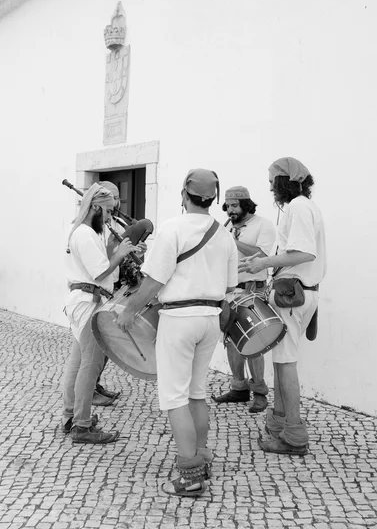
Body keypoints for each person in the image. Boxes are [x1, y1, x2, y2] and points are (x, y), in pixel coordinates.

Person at [116, 169, 238, 497]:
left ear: (185, 195)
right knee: (197, 393)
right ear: (212, 198)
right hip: (209, 319)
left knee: (174, 397)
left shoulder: (172, 228)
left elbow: (154, 280)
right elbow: (229, 287)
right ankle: (201, 456)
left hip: (179, 319)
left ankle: (190, 476)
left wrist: (129, 311)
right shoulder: (224, 235)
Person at [239, 157, 326, 455]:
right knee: (281, 361)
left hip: (293, 295)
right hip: (296, 292)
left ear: (283, 182)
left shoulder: (298, 206)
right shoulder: (302, 207)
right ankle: (278, 423)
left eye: (272, 181)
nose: (270, 187)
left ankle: (294, 435)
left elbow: (303, 253)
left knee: (286, 364)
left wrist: (263, 262)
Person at [62, 183, 142, 444]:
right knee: (91, 364)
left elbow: (99, 263)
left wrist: (118, 250)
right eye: (107, 212)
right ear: (95, 207)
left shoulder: (87, 232)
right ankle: (82, 426)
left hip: (83, 299)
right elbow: (100, 272)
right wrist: (120, 253)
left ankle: (71, 416)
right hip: (88, 302)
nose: (109, 217)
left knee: (77, 363)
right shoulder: (84, 233)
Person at [212, 186, 276, 412]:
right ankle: (239, 388)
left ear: (246, 205)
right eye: (227, 206)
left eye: (234, 206)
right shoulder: (227, 226)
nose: (230, 210)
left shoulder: (263, 225)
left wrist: (232, 240)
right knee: (231, 342)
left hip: (252, 290)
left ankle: (259, 392)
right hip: (228, 291)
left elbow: (264, 256)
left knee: (255, 342)